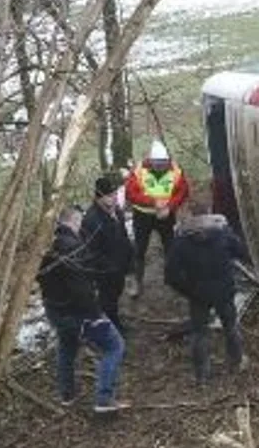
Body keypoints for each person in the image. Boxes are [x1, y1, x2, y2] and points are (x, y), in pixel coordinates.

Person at [37, 206, 127, 413]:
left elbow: (41, 278)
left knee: (67, 347)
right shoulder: (72, 248)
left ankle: (66, 394)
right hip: (79, 313)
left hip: (56, 311)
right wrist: (95, 315)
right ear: (74, 221)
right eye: (79, 223)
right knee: (115, 346)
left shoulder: (48, 247)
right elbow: (82, 288)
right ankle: (104, 399)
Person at [164, 201, 248, 383]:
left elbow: (170, 275)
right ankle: (237, 361)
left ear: (191, 216)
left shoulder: (181, 241)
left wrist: (189, 290)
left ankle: (202, 374)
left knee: (199, 333)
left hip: (198, 294)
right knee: (231, 326)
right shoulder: (223, 234)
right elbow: (241, 252)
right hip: (224, 290)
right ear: (209, 212)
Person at [125, 139, 189, 298]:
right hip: (142, 216)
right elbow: (130, 194)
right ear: (151, 161)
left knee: (171, 248)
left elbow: (183, 191)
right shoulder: (139, 171)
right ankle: (137, 283)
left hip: (166, 217)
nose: (161, 167)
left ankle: (173, 280)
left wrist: (170, 207)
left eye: (163, 163)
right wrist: (154, 202)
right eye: (157, 164)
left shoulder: (176, 171)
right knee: (139, 250)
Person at [82, 174, 135, 337]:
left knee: (116, 296)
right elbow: (91, 251)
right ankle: (110, 330)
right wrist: (109, 268)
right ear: (100, 197)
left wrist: (130, 259)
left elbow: (124, 236)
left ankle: (112, 322)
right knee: (107, 301)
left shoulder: (116, 211)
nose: (114, 199)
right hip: (105, 271)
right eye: (110, 196)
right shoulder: (91, 220)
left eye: (114, 195)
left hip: (119, 266)